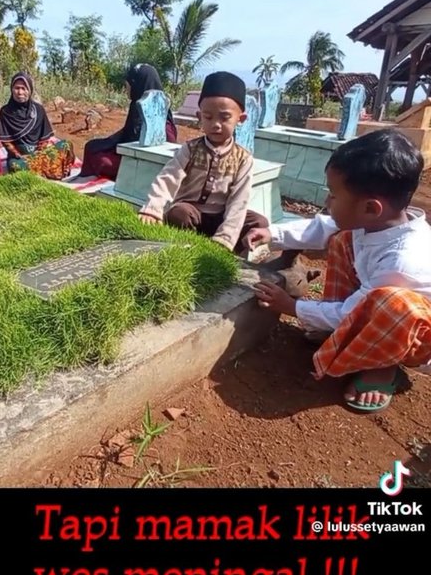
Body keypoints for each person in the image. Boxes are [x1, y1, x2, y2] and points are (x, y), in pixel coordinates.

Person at [242, 128, 431, 413]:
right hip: (374, 311)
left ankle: (382, 368)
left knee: (393, 303)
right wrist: (273, 233)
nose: (328, 203)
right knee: (342, 239)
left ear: (371, 208)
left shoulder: (403, 260)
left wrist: (292, 306)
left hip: (416, 339)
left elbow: (352, 312)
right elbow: (324, 227)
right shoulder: (376, 224)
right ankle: (339, 332)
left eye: (333, 195)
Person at [138, 71, 268, 254]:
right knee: (179, 213)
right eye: (208, 117)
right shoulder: (190, 149)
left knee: (259, 223)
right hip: (192, 213)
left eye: (224, 118)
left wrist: (226, 237)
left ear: (241, 119)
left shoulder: (243, 158)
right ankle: (184, 250)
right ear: (199, 117)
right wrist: (153, 208)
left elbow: (239, 200)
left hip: (221, 217)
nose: (216, 124)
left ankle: (226, 255)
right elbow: (168, 177)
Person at [79, 63, 178, 179]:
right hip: (130, 154)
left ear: (137, 85)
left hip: (143, 164)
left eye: (128, 86)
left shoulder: (161, 119)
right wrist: (109, 142)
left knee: (100, 159)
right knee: (93, 146)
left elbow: (163, 148)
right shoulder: (136, 105)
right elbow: (128, 133)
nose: (126, 89)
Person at [0, 72, 74, 179]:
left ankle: (41, 168)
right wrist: (17, 154)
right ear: (11, 89)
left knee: (66, 145)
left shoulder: (38, 110)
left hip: (38, 153)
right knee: (14, 166)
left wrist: (38, 152)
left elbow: (44, 138)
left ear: (30, 90)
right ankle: (44, 170)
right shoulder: (5, 112)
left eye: (24, 88)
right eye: (17, 88)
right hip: (19, 157)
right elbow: (6, 141)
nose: (20, 92)